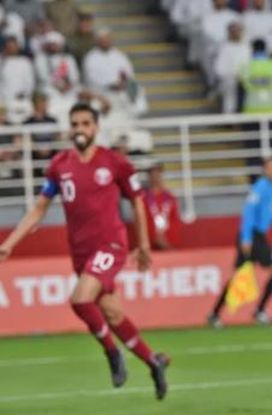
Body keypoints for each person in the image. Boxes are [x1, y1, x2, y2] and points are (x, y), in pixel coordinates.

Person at [0, 103, 171, 400]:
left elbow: (137, 200)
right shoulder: (59, 166)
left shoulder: (114, 162)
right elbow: (39, 209)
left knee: (80, 299)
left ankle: (112, 353)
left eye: (85, 124)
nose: (80, 129)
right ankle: (153, 362)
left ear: (96, 127)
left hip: (110, 245)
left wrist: (143, 244)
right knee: (112, 314)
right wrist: (9, 243)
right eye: (75, 124)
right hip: (81, 251)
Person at [208, 157, 272, 327]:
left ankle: (217, 313)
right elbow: (249, 212)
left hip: (258, 236)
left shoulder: (270, 188)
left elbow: (266, 214)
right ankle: (256, 311)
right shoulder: (260, 187)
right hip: (252, 236)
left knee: (268, 272)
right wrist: (246, 238)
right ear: (265, 170)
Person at [141, 162, 181, 251]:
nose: (155, 177)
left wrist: (168, 241)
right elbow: (142, 221)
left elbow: (175, 220)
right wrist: (153, 238)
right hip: (150, 246)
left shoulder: (170, 197)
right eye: (152, 174)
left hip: (169, 245)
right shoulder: (143, 198)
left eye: (158, 173)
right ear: (149, 176)